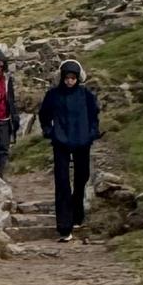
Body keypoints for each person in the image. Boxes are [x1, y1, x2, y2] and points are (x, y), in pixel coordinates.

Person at [39, 58, 101, 243]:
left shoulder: (86, 95)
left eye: (73, 78)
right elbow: (44, 115)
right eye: (67, 77)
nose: (69, 81)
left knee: (82, 177)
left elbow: (94, 115)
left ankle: (77, 213)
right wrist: (50, 132)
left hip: (83, 141)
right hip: (61, 143)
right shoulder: (53, 95)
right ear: (62, 77)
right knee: (62, 182)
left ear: (78, 78)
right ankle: (64, 226)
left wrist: (92, 133)